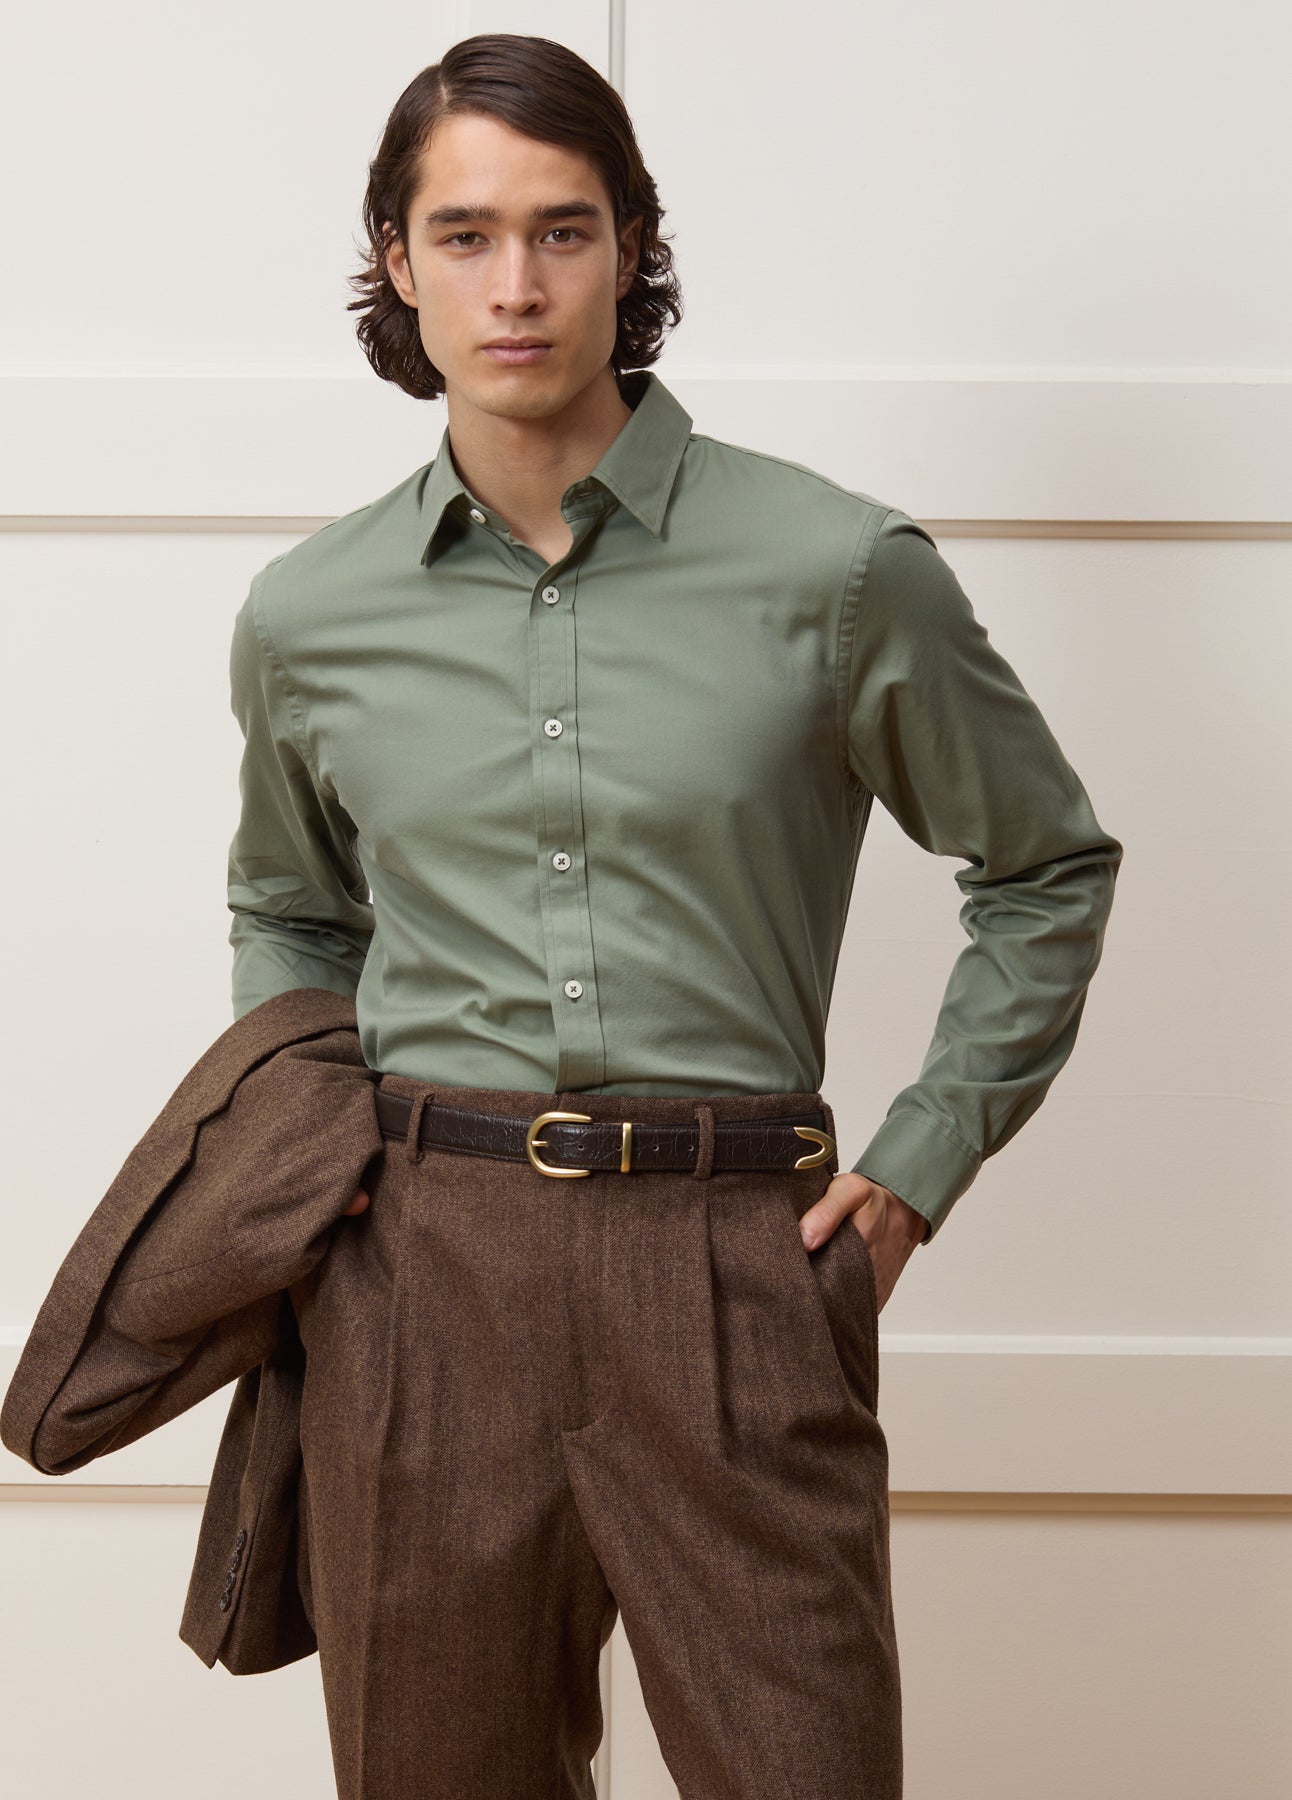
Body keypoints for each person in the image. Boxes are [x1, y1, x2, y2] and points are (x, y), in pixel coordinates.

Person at [224, 32, 1122, 1800]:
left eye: (562, 230)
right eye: (464, 235)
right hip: (424, 1269)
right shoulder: (308, 614)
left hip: (736, 1255)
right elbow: (289, 910)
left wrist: (919, 1165)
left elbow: (1044, 867)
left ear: (631, 246)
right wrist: (315, 1159)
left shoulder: (839, 570)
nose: (515, 286)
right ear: (397, 262)